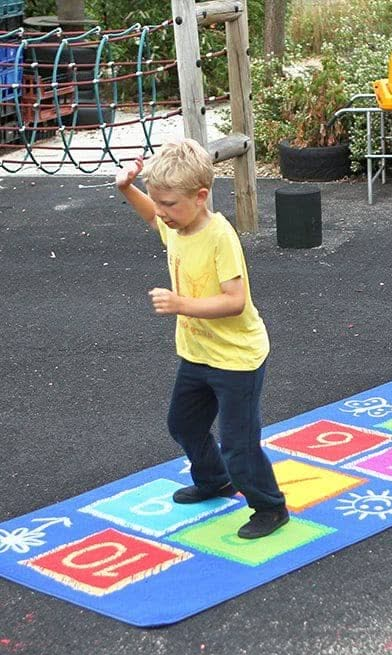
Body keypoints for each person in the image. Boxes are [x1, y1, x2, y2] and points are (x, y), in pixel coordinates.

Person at [115, 139, 288, 539]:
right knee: (184, 424)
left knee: (239, 445)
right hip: (197, 354)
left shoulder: (219, 236)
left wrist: (181, 304)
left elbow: (235, 301)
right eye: (158, 203)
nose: (162, 213)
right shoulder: (177, 223)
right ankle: (214, 479)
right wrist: (127, 188)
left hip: (237, 359)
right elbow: (153, 220)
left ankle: (270, 506)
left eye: (169, 204)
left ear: (201, 196)